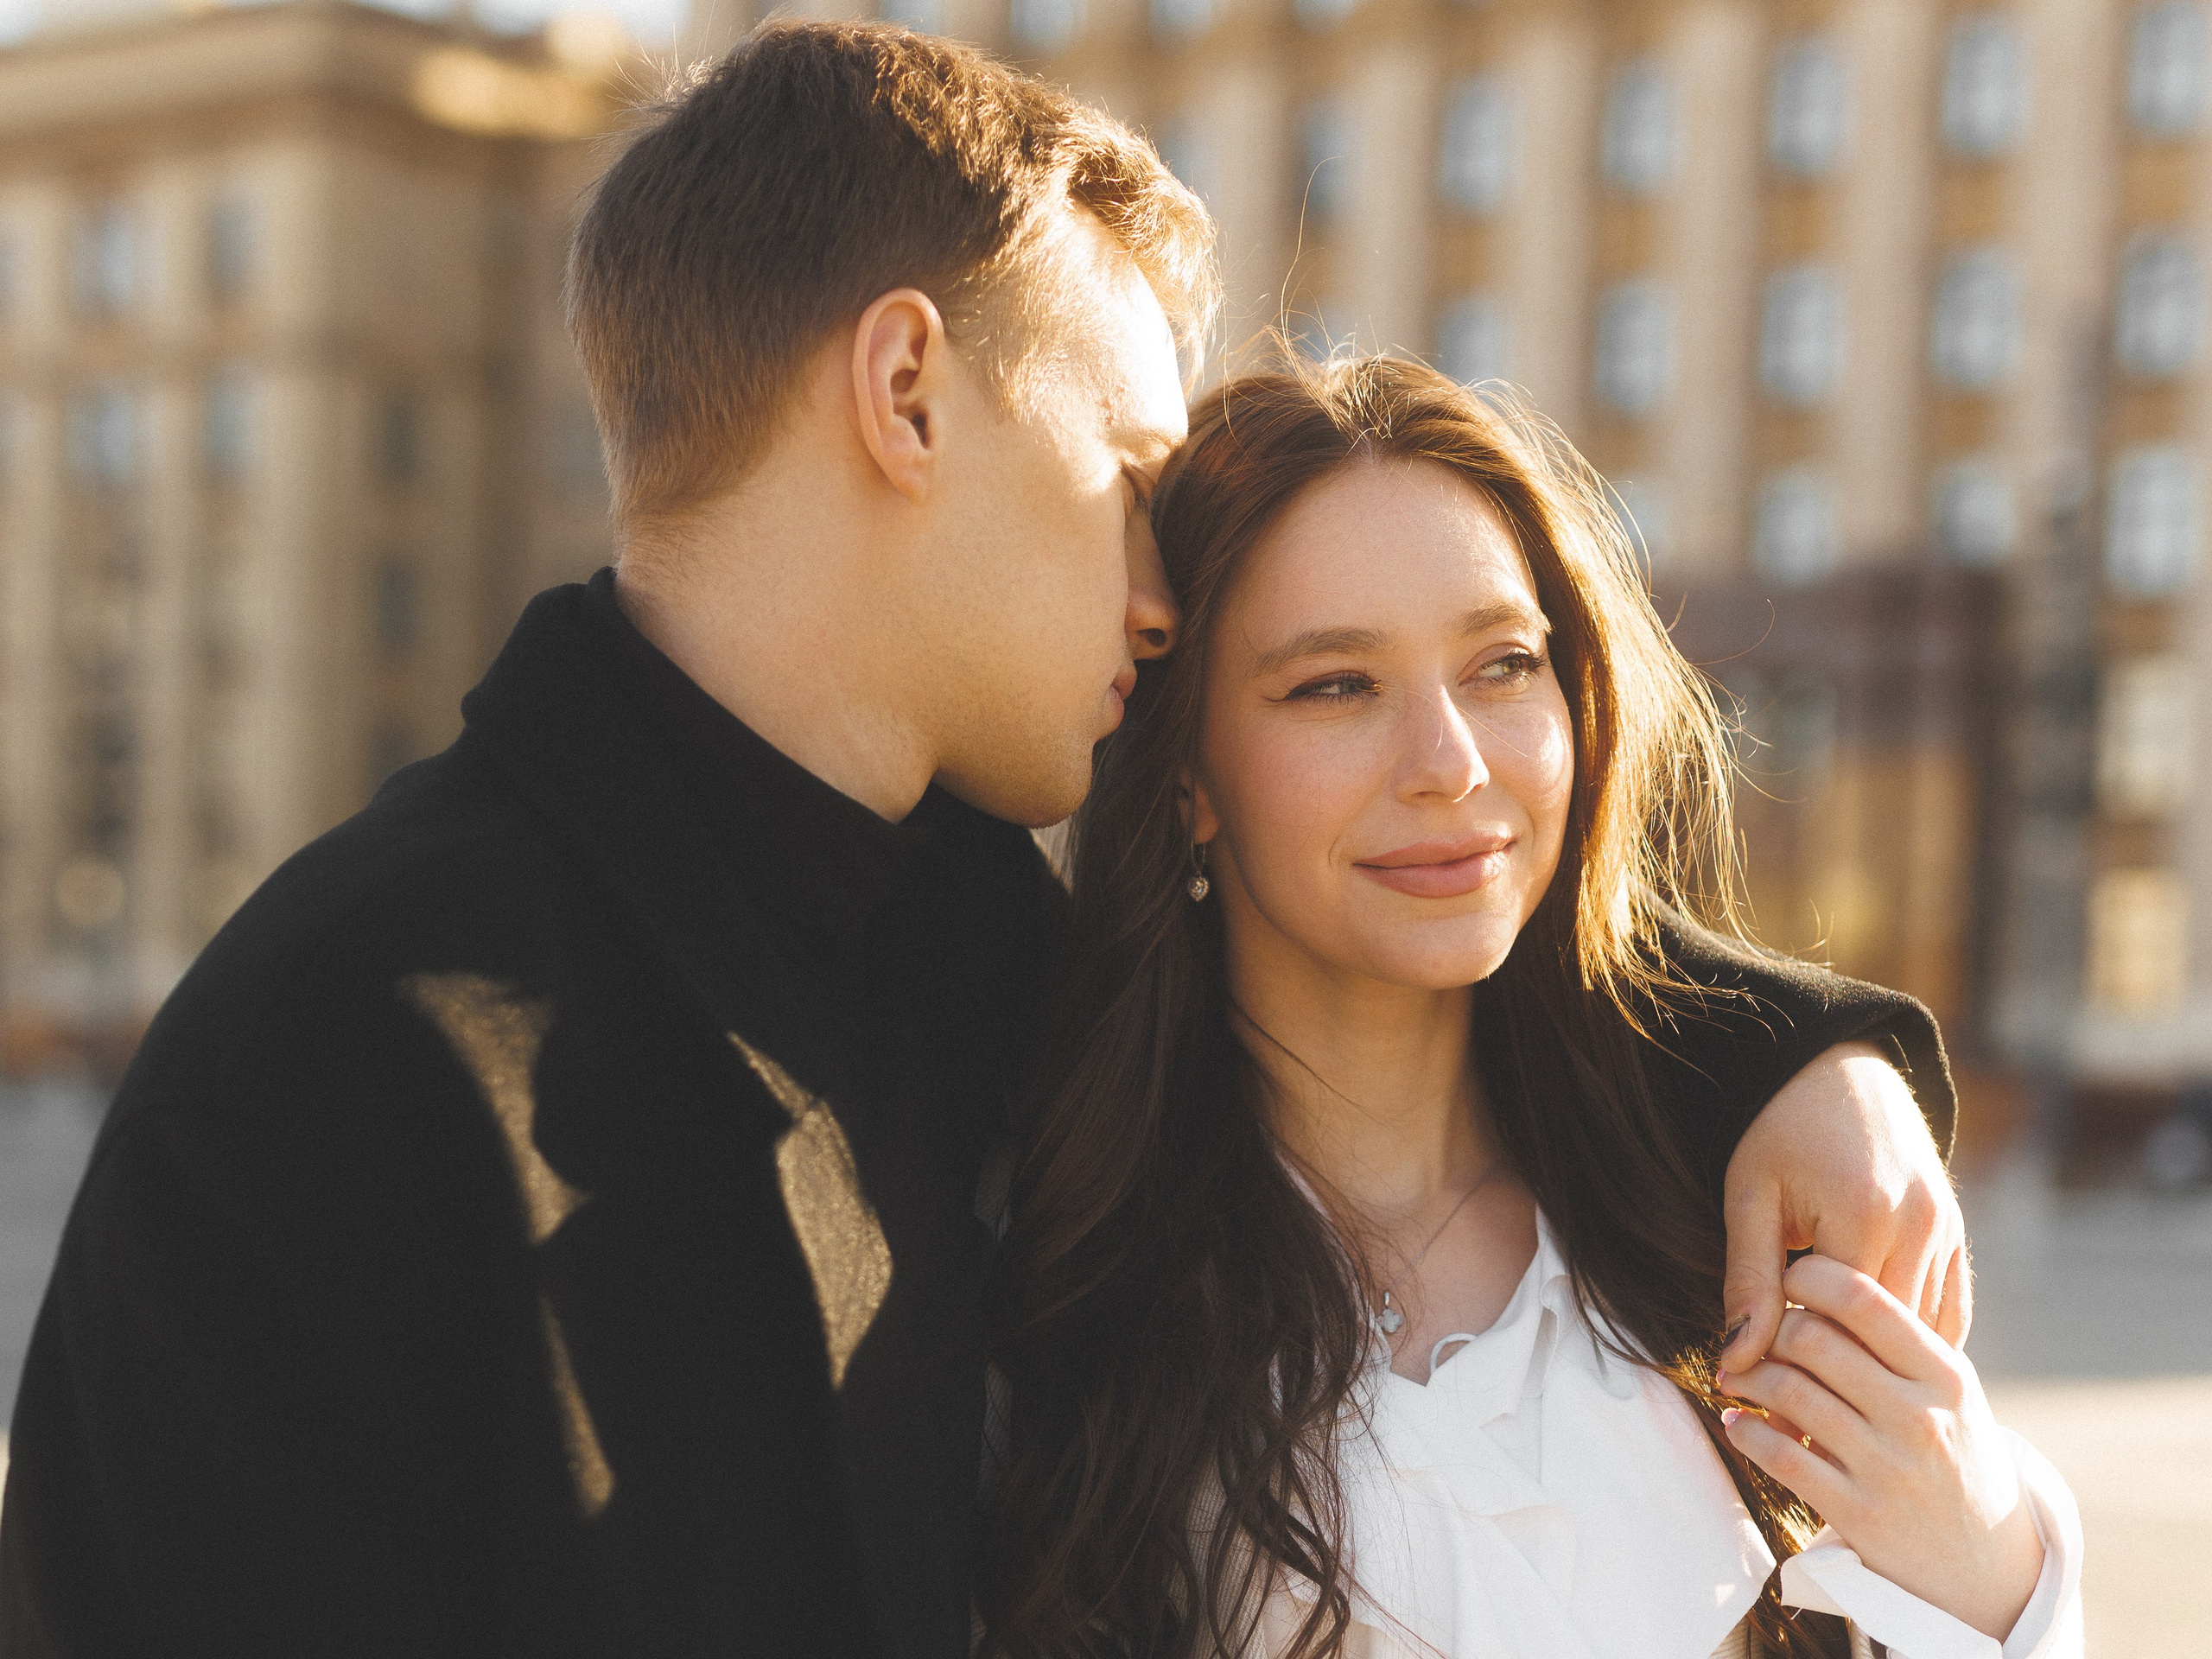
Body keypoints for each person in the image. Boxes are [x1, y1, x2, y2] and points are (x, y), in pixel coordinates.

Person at [3, 26, 1962, 1659]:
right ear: (907, 392)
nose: (1153, 588)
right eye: (1122, 473)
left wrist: (1818, 1055)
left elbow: (1413, 920)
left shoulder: (958, 934)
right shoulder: (326, 1063)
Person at [979, 357, 2080, 1659]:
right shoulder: (1056, 1278)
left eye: (1503, 664)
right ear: (1189, 779)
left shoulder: (1720, 1234)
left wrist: (1985, 1568)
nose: (1451, 764)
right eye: (1335, 684)